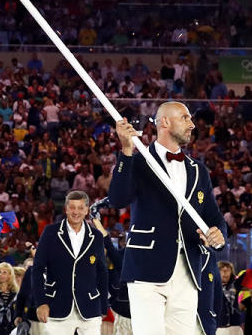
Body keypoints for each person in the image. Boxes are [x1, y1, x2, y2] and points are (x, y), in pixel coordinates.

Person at [109, 102, 227, 335]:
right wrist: (125, 150)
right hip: (146, 267)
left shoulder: (198, 170)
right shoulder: (138, 160)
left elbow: (213, 215)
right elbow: (117, 199)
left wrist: (218, 232)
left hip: (189, 271)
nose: (192, 124)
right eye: (185, 118)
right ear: (164, 122)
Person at [32, 190, 108, 335]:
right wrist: (41, 302)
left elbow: (102, 272)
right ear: (66, 209)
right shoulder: (50, 232)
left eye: (80, 208)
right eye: (72, 207)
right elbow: (38, 269)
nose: (76, 212)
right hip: (57, 306)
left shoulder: (97, 236)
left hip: (90, 307)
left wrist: (103, 306)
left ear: (87, 210)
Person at [91, 219, 130, 335]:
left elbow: (108, 244)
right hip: (120, 313)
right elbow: (108, 244)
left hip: (134, 313)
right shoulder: (120, 257)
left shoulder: (127, 258)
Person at [215, 262, 242, 335]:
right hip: (219, 327)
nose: (225, 272)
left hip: (235, 326)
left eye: (228, 270)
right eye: (222, 270)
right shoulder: (213, 287)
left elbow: (248, 276)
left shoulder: (236, 285)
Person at [0, 263, 18, 335]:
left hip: (12, 327)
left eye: (4, 272)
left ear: (10, 275)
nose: (1, 274)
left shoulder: (15, 293)